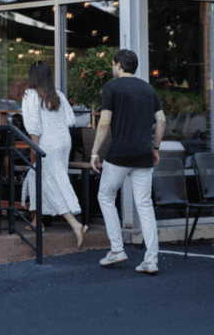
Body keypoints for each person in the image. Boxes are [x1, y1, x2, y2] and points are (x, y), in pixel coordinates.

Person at [90, 48, 165, 275]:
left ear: (119, 65)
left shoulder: (111, 87)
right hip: (143, 154)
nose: (112, 68)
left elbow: (104, 122)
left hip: (119, 154)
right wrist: (155, 148)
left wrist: (94, 152)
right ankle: (151, 260)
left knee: (105, 196)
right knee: (144, 205)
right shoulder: (148, 88)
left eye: (113, 64)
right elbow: (161, 120)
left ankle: (117, 250)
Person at [21, 62, 88, 248]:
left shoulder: (30, 94)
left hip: (47, 144)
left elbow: (34, 127)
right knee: (39, 177)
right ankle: (37, 220)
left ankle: (75, 223)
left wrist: (35, 150)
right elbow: (71, 120)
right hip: (64, 142)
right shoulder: (58, 94)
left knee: (50, 183)